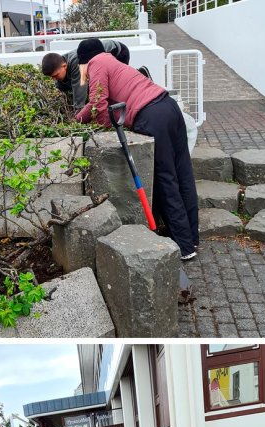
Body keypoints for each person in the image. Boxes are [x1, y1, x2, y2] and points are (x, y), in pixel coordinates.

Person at [73, 38, 199, 260]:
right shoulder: (112, 61)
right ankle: (191, 237)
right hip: (168, 106)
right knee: (183, 174)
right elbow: (95, 105)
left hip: (151, 115)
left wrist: (102, 125)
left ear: (83, 60)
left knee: (165, 179)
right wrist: (78, 120)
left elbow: (98, 105)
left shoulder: (96, 63)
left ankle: (184, 246)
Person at [41, 39, 133, 112]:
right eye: (52, 77)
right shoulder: (59, 64)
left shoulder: (75, 62)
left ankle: (125, 107)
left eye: (56, 76)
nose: (54, 79)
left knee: (114, 87)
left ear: (64, 66)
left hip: (118, 52)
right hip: (102, 58)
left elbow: (80, 87)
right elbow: (63, 87)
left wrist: (78, 113)